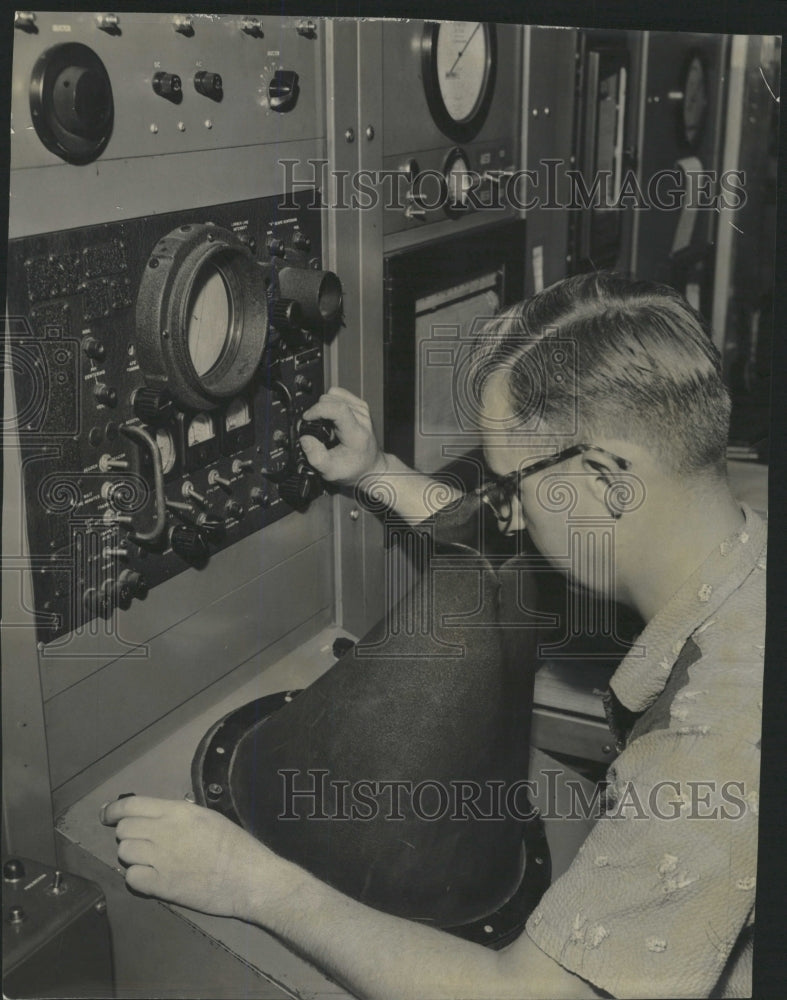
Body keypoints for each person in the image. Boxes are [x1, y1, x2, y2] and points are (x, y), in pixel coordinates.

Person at [102, 272, 765, 999]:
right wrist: (376, 472)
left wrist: (250, 882)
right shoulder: (741, 554)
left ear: (608, 477)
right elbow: (503, 543)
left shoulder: (712, 749)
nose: (507, 517)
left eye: (512, 485)